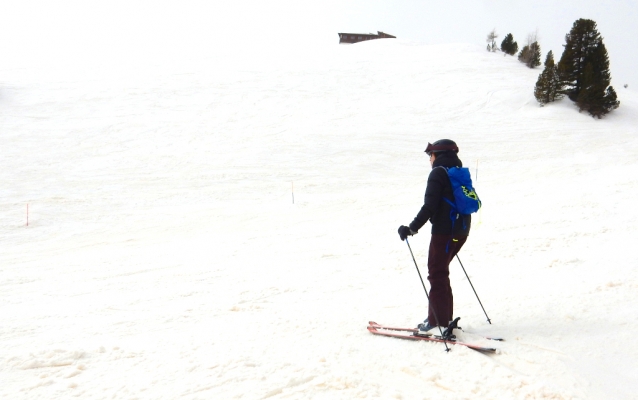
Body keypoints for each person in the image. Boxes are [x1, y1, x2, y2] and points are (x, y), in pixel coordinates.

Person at [397, 139, 471, 334]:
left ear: (437, 155)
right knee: (441, 272)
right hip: (461, 231)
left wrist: (411, 228)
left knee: (436, 274)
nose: (429, 159)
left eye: (431, 155)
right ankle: (443, 318)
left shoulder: (438, 173)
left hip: (444, 232)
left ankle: (437, 321)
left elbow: (429, 206)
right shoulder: (457, 173)